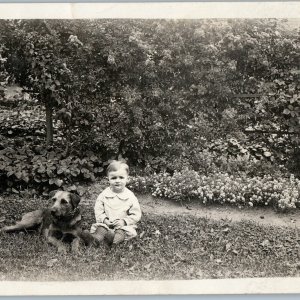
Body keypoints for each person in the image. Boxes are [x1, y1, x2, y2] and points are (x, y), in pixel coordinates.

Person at [90, 160, 142, 247]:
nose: (117, 181)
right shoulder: (104, 194)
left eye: (121, 178)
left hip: (121, 225)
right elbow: (98, 210)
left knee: (120, 233)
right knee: (101, 230)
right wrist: (104, 220)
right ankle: (95, 240)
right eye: (114, 178)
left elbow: (136, 214)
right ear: (108, 179)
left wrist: (124, 221)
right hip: (107, 223)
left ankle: (112, 241)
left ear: (127, 179)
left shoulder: (130, 196)